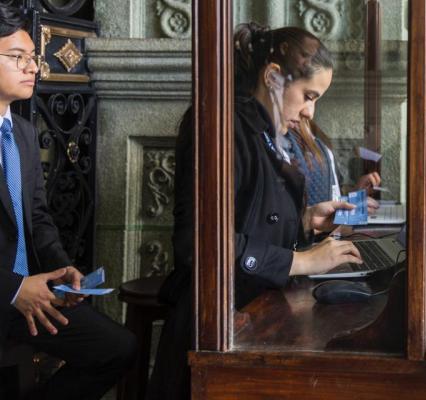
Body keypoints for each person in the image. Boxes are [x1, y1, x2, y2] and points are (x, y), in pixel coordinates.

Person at [148, 24, 363, 400]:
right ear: (273, 76)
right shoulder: (220, 126)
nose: (310, 111)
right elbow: (200, 243)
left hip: (253, 309)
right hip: (219, 321)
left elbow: (252, 215)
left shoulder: (265, 129)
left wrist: (305, 220)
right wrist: (301, 262)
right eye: (308, 96)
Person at [0, 4, 136, 399]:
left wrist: (61, 268)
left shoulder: (23, 133)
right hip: (7, 292)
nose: (33, 68)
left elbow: (38, 217)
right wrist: (12, 289)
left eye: (34, 57)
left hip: (32, 294)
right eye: (17, 57)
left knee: (117, 348)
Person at [286, 118, 381, 211]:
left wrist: (355, 193)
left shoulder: (313, 130)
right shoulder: (287, 134)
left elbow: (333, 194)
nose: (309, 112)